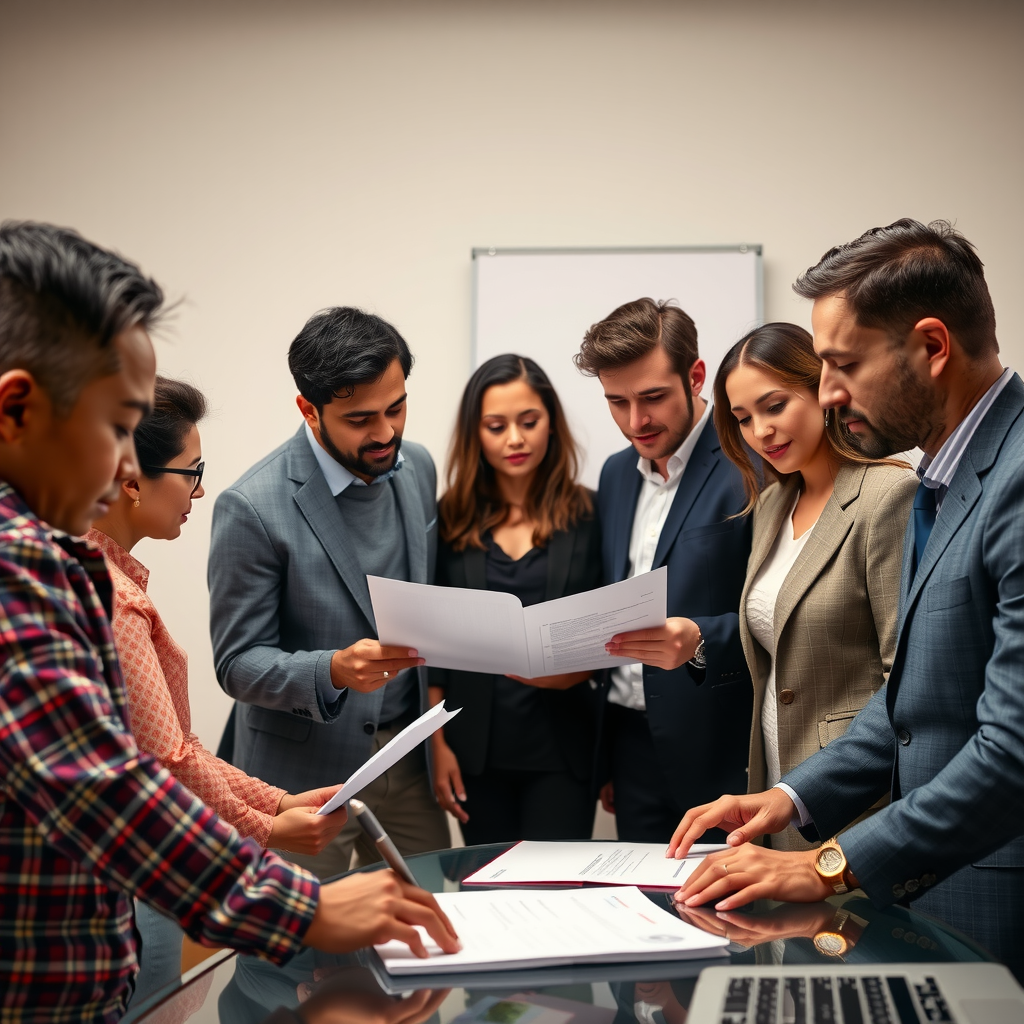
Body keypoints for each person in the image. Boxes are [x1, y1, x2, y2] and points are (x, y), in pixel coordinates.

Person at [0, 222, 458, 1023]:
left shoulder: (62, 557)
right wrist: (303, 907)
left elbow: (142, 760)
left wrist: (264, 810)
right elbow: (108, 785)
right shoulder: (22, 565)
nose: (126, 473)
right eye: (118, 428)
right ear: (17, 409)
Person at [669, 218, 1024, 980]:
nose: (826, 392)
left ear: (932, 348)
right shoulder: (950, 476)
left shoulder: (1012, 479)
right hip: (930, 889)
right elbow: (911, 701)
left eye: (842, 365)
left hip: (992, 897)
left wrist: (824, 866)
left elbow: (1012, 750)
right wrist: (791, 798)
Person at [88, 376, 350, 1003]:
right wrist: (266, 829)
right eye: (191, 470)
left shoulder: (106, 577)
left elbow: (179, 744)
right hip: (126, 878)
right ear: (131, 482)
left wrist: (278, 803)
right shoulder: (115, 599)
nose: (200, 489)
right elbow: (167, 759)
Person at [209, 306, 449, 879]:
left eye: (397, 408)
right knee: (295, 956)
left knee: (429, 925)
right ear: (308, 410)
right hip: (298, 777)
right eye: (361, 418)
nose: (386, 432)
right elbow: (237, 664)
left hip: (405, 756)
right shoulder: (250, 506)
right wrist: (333, 670)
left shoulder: (416, 467)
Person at [711, 322, 916, 850]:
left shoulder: (888, 494)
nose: (760, 431)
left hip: (855, 795)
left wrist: (808, 788)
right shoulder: (772, 505)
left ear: (821, 389)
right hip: (774, 781)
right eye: (743, 419)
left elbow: (909, 679)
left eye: (774, 406)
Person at [574, 297, 753, 842]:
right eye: (617, 402)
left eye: (652, 397)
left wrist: (701, 641)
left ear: (696, 377)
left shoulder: (754, 462)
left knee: (728, 921)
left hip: (722, 747)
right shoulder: (613, 475)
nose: (636, 421)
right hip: (628, 742)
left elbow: (786, 611)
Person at [428, 354, 601, 844]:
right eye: (496, 426)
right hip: (473, 753)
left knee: (560, 899)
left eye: (529, 422)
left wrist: (577, 668)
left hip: (565, 751)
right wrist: (436, 746)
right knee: (486, 897)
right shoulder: (450, 518)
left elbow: (613, 627)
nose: (515, 439)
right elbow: (432, 646)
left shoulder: (590, 512)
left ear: (551, 422)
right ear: (474, 433)